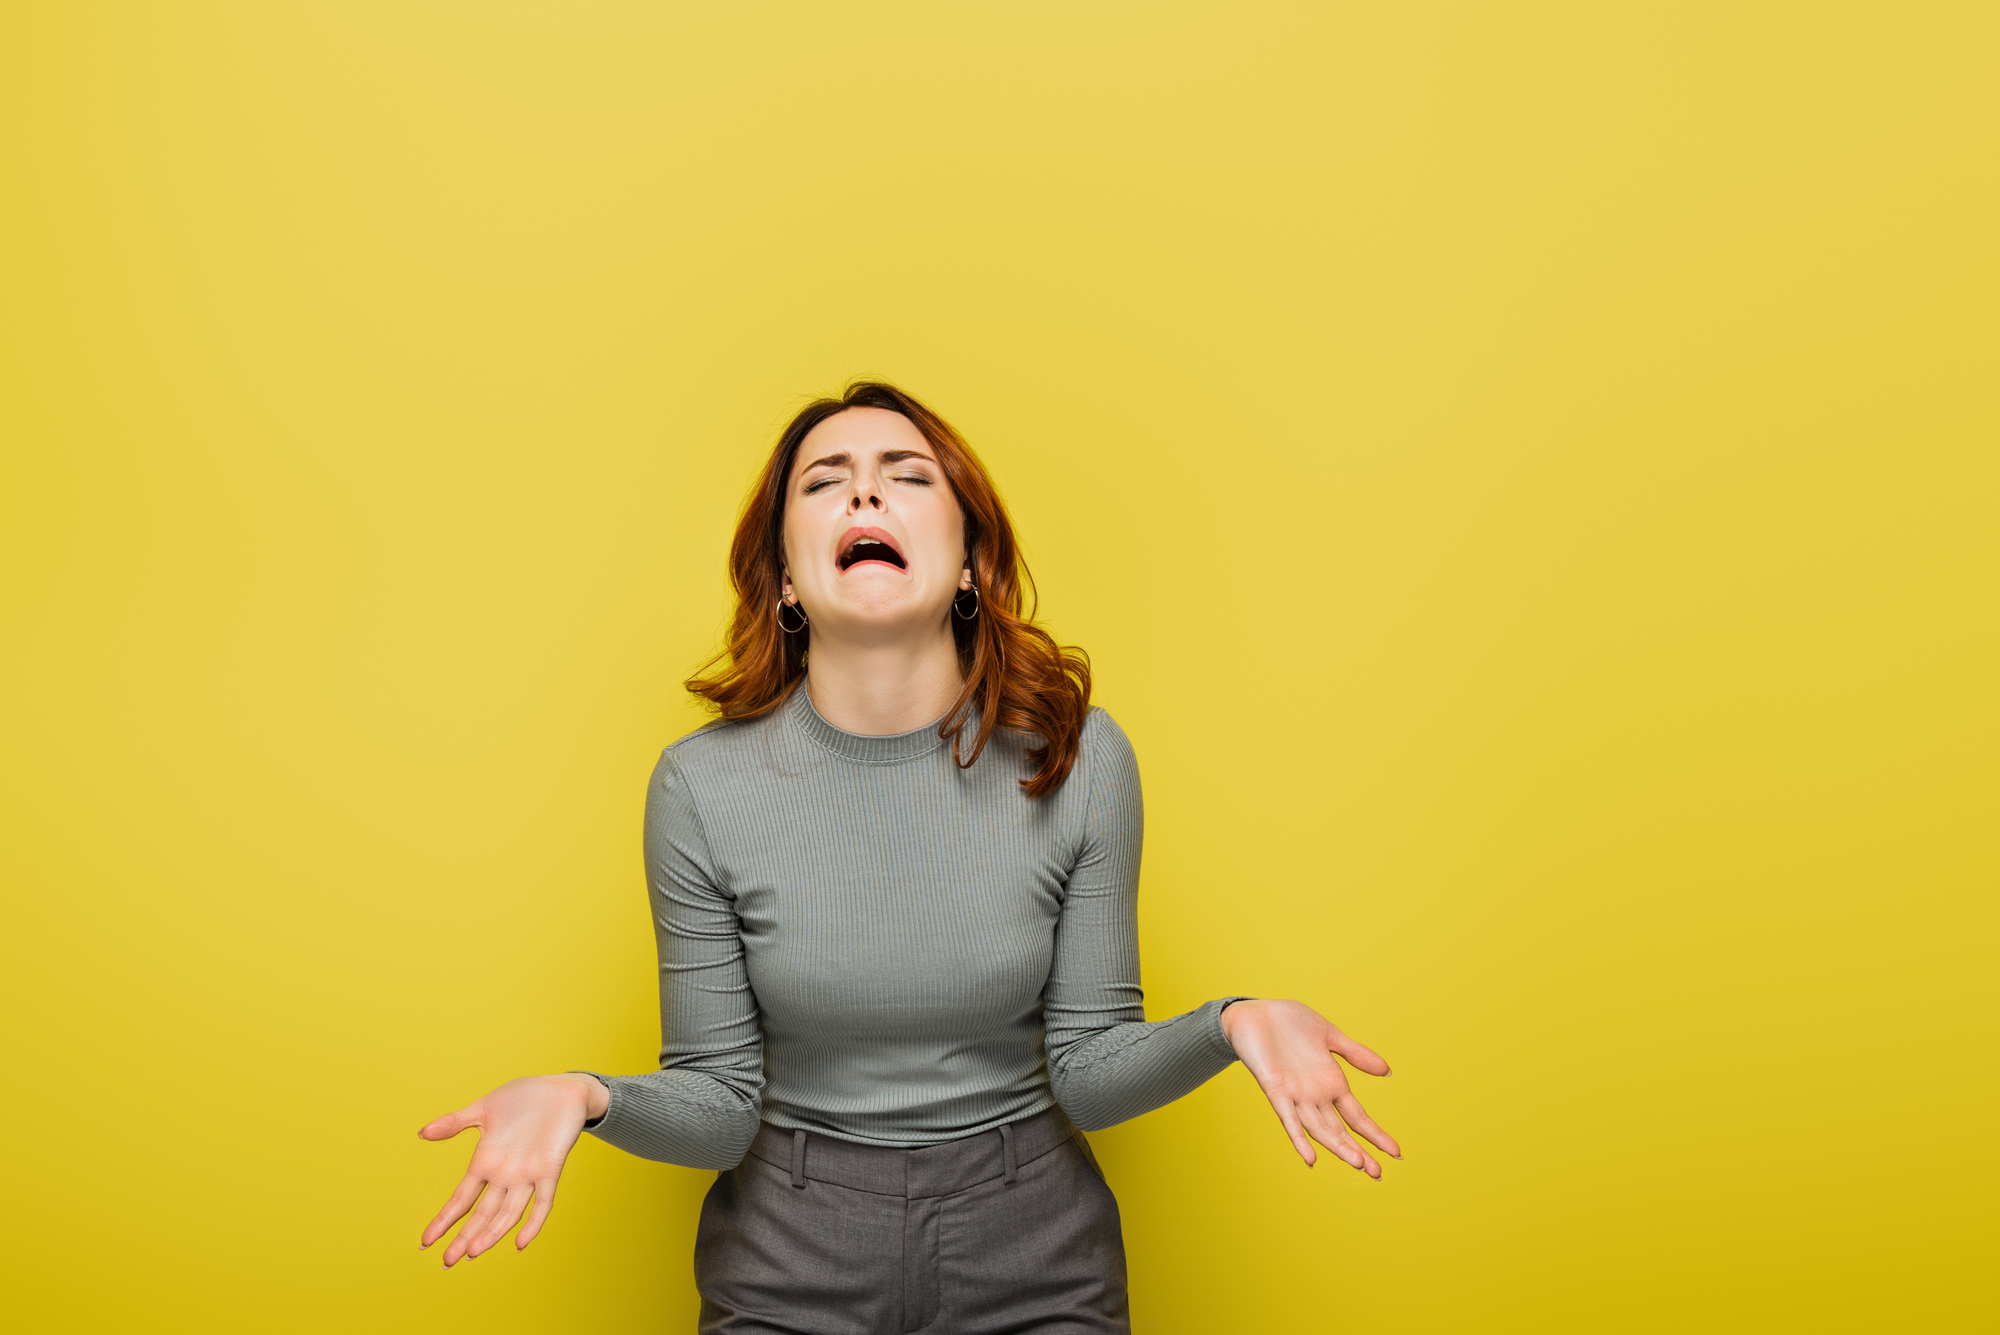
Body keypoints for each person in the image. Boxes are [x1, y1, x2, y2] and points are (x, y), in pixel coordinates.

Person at [418, 382, 1402, 1332]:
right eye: (824, 479)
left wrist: (1227, 1025)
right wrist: (586, 1096)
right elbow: (718, 1108)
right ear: (788, 580)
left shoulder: (1081, 759)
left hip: (1034, 1253)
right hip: (787, 1261)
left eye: (905, 474)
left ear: (972, 563)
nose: (863, 492)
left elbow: (1091, 1072)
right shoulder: (699, 787)